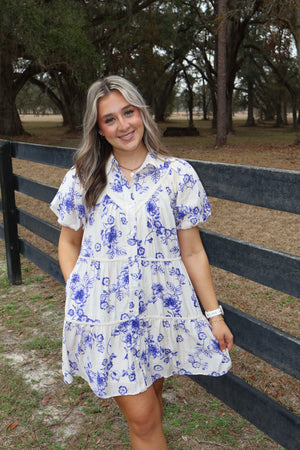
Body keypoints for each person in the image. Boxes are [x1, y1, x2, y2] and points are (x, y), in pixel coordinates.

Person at [50, 75, 233, 449]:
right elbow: (68, 242)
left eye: (128, 112)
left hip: (160, 313)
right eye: (110, 119)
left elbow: (193, 251)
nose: (123, 125)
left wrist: (214, 315)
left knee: (152, 409)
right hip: (107, 318)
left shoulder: (178, 175)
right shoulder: (83, 177)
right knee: (144, 419)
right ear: (99, 130)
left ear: (141, 113)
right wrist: (79, 293)